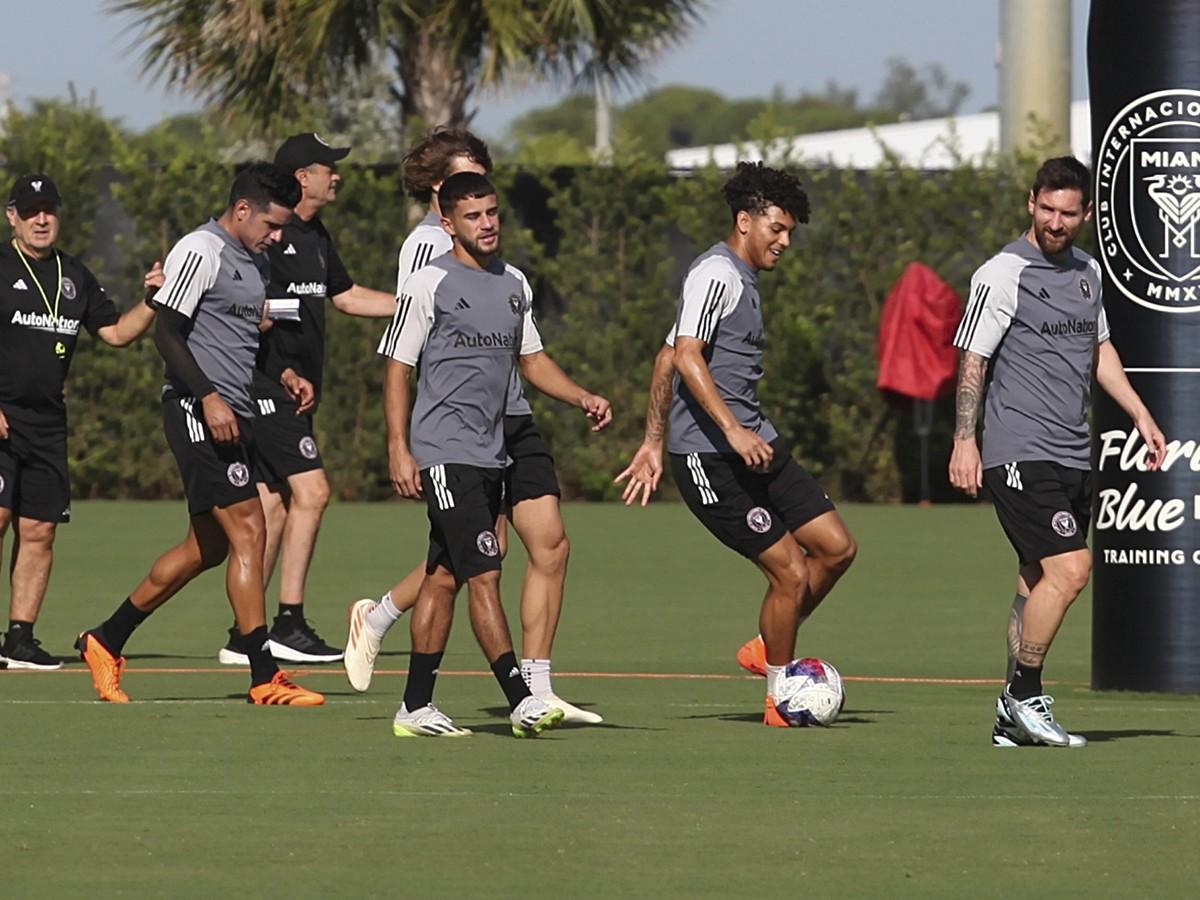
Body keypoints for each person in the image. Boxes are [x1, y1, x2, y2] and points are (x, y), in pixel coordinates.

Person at [344, 129, 608, 725]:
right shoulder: (427, 277)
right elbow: (397, 366)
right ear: (448, 220)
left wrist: (582, 396)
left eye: (492, 212)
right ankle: (523, 699)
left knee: (445, 575)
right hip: (445, 448)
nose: (487, 224)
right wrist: (399, 448)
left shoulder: (514, 283)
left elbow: (532, 360)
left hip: (495, 445)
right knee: (485, 571)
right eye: (473, 215)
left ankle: (415, 704)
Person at [615, 162, 857, 727]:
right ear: (745, 221)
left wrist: (653, 439)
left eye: (790, 231)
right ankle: (780, 696)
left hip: (755, 443)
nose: (785, 241)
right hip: (710, 458)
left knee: (837, 549)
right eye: (777, 228)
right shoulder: (714, 274)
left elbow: (665, 356)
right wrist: (696, 436)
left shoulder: (740, 279)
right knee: (791, 572)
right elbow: (684, 356)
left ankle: (767, 644)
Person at [76, 163, 324, 706]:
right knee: (251, 530)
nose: (276, 237)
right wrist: (209, 397)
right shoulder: (200, 250)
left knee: (205, 549)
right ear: (242, 209)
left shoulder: (254, 261)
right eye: (271, 225)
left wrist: (284, 373)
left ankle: (105, 639)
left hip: (234, 412)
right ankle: (263, 675)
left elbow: (244, 339)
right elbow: (167, 333)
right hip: (195, 408)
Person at [949, 155, 1165, 748]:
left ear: (1086, 214)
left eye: (1067, 213)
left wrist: (1140, 413)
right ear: (1031, 202)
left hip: (1071, 453)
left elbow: (1099, 350)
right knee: (1072, 569)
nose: (1055, 222)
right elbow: (973, 358)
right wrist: (965, 439)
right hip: (1019, 450)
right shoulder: (1002, 273)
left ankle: (1009, 719)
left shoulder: (1088, 272)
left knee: (1035, 579)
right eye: (1046, 209)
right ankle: (1023, 696)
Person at [215, 133, 398, 667]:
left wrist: (415, 304)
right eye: (327, 168)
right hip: (263, 383)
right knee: (313, 492)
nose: (335, 176)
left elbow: (346, 296)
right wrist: (278, 356)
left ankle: (245, 635)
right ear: (302, 177)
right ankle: (288, 623)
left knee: (274, 503)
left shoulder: (316, 234)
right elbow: (240, 304)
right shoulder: (265, 234)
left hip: (294, 391)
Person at [0, 174, 161, 670]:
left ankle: (20, 639)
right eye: (31, 211)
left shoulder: (75, 275)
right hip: (2, 416)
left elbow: (115, 333)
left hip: (48, 423)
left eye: (49, 210)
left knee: (40, 530)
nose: (41, 219)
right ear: (12, 216)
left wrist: (154, 299)